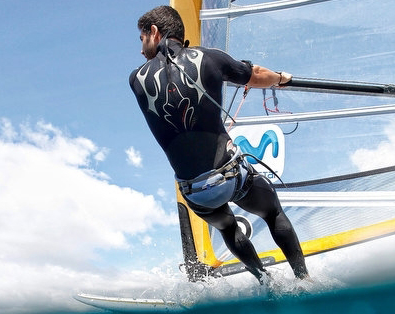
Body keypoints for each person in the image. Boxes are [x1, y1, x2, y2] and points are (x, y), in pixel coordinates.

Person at [129, 6, 308, 286]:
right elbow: (257, 74)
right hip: (231, 176)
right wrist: (281, 79)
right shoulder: (208, 57)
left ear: (154, 32)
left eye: (141, 39)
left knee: (227, 227)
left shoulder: (135, 80)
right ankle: (304, 281)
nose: (141, 49)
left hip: (195, 193)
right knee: (273, 213)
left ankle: (265, 281)